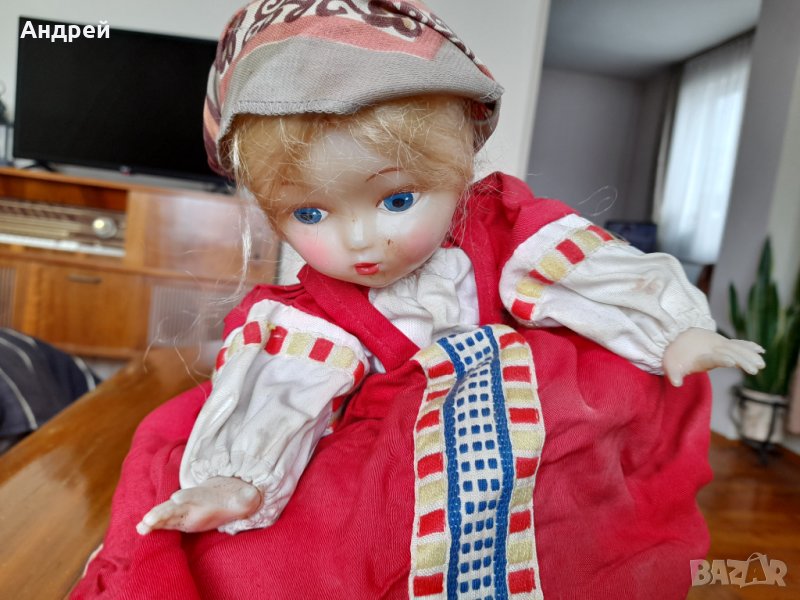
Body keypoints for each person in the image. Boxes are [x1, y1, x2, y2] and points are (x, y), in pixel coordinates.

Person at [73, 2, 763, 598]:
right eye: (309, 214)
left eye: (398, 199)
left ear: (458, 167)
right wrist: (239, 480)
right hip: (390, 476)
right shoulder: (313, 311)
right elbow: (285, 386)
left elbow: (584, 272)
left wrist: (672, 329)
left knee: (585, 503)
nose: (360, 241)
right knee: (279, 559)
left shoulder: (500, 228)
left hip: (534, 450)